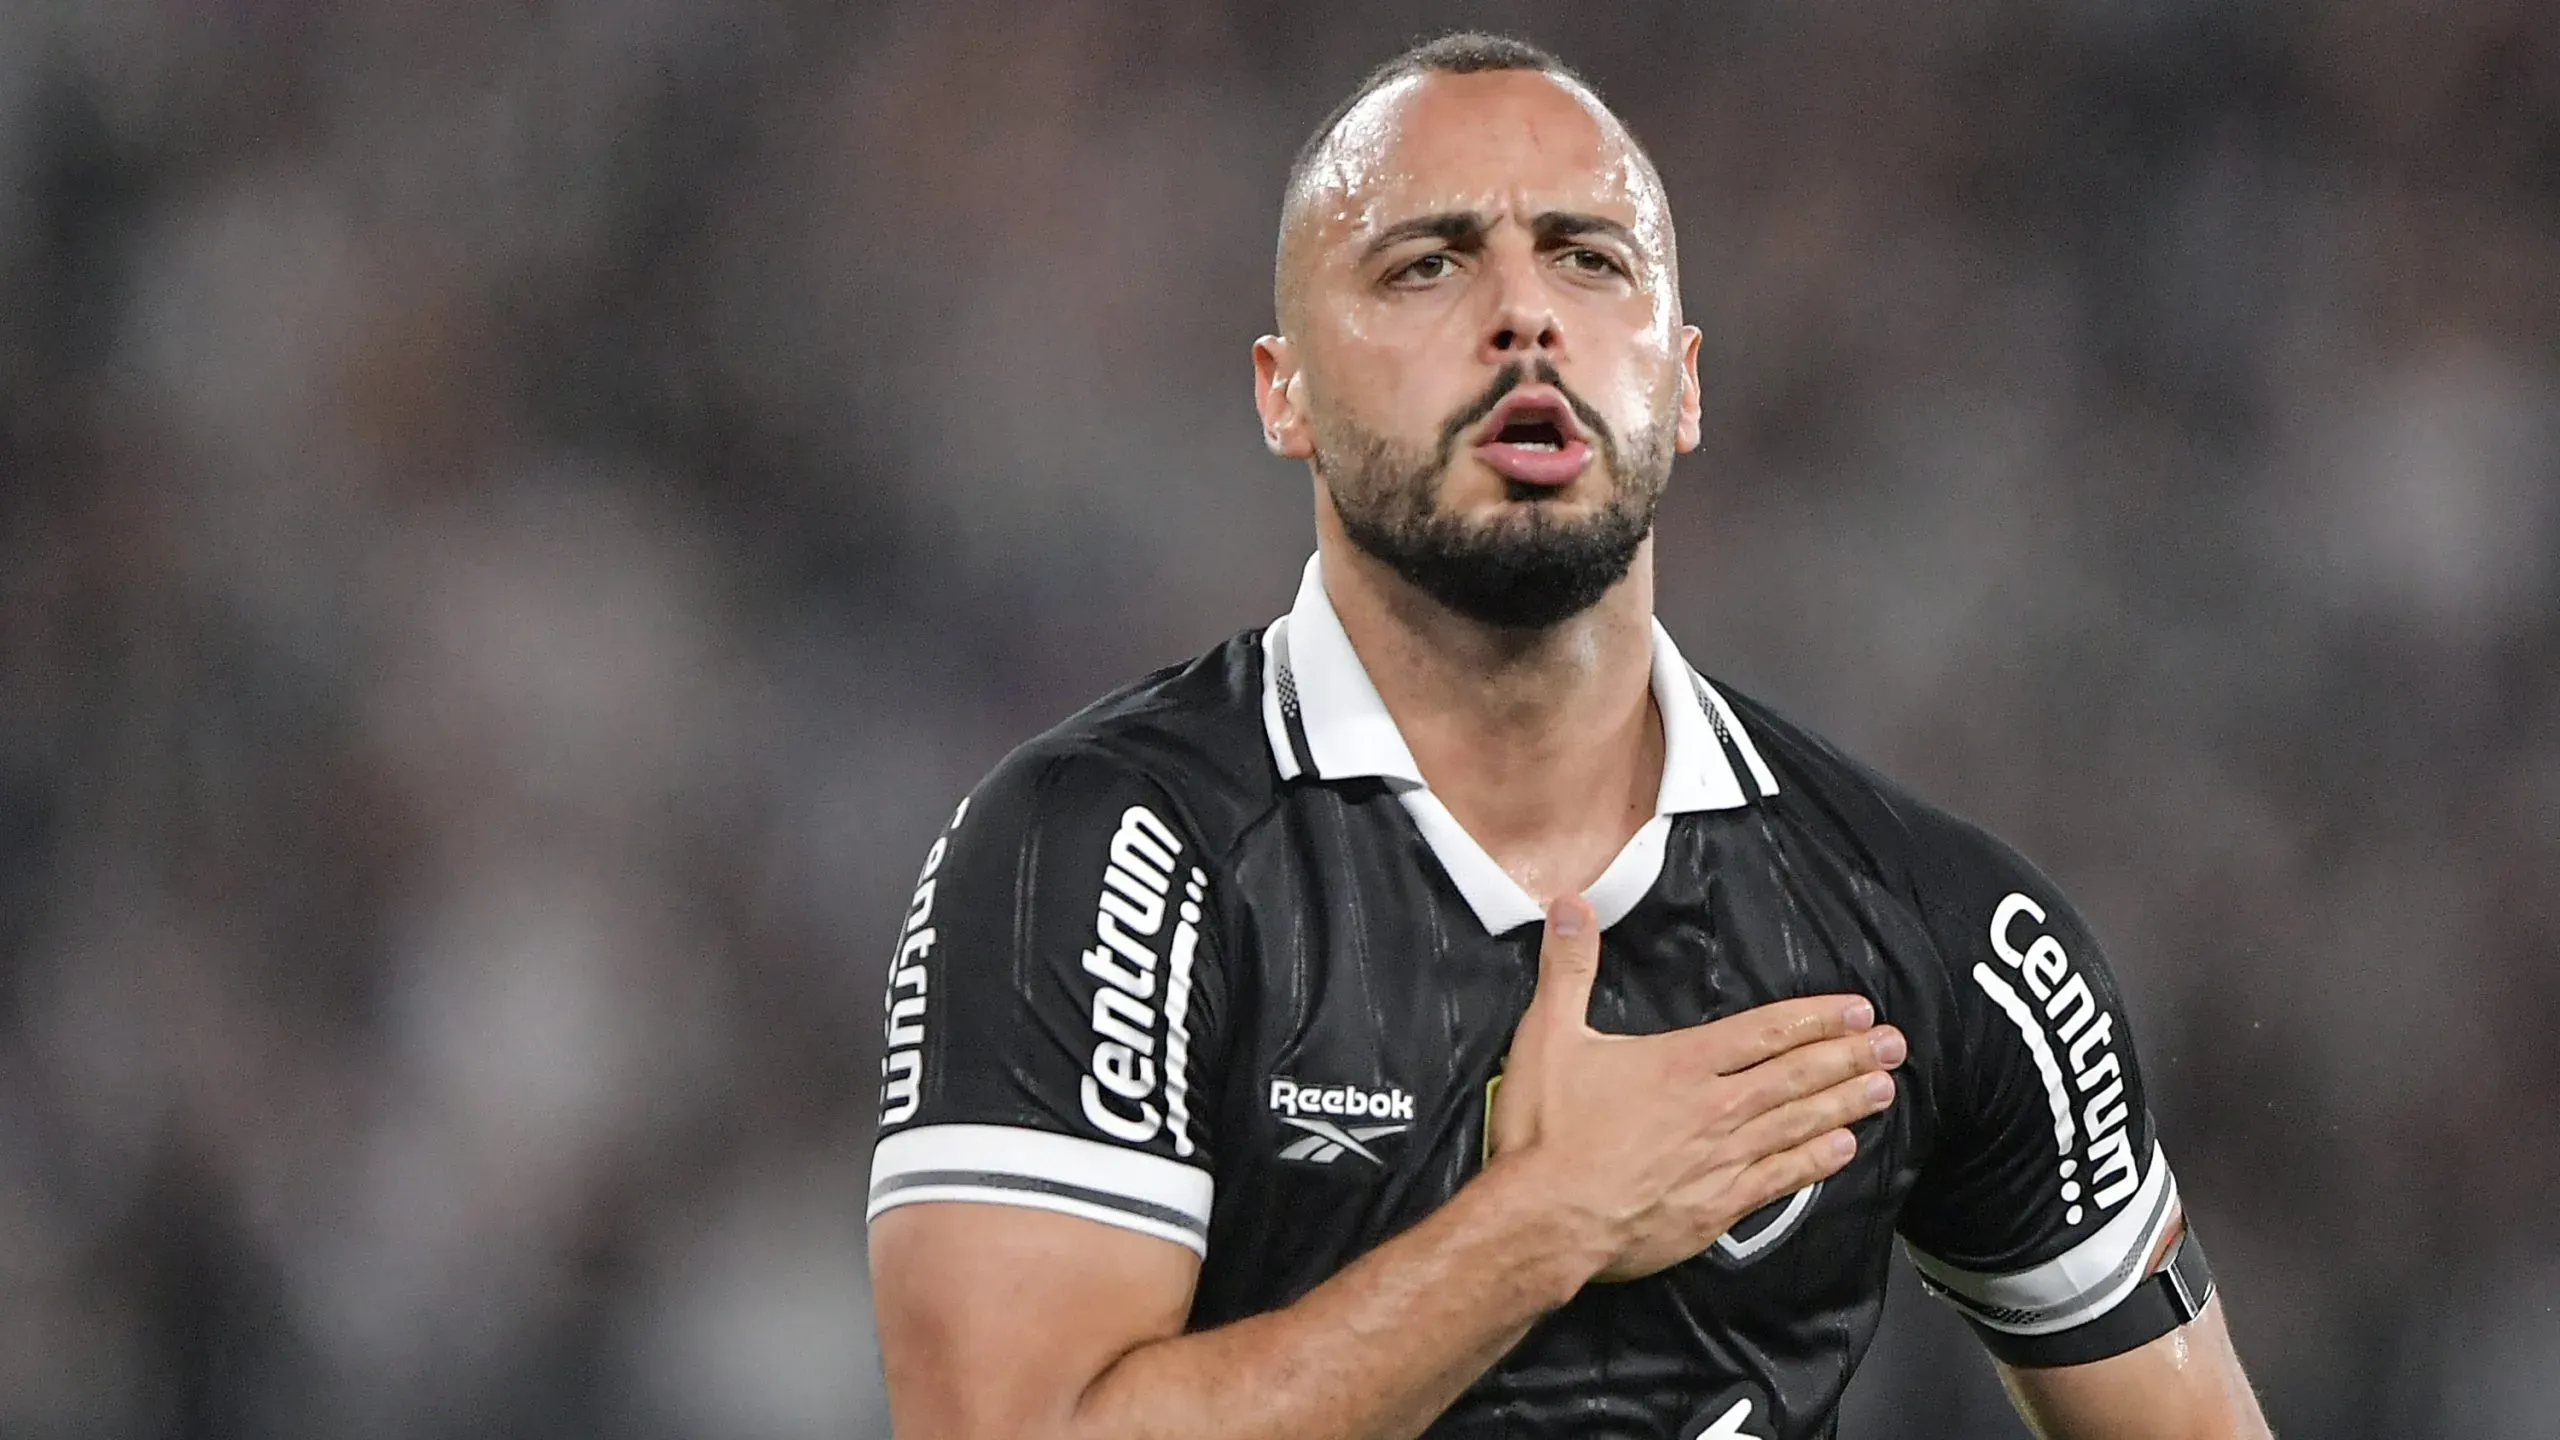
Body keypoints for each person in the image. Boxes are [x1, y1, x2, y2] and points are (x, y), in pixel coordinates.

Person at [865, 32, 2270, 1440]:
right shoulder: (1094, 860)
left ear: (1689, 380)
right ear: (1282, 390)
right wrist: (1539, 1227)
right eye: (1429, 263)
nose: (1524, 314)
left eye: (1590, 259)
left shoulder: (1944, 932)